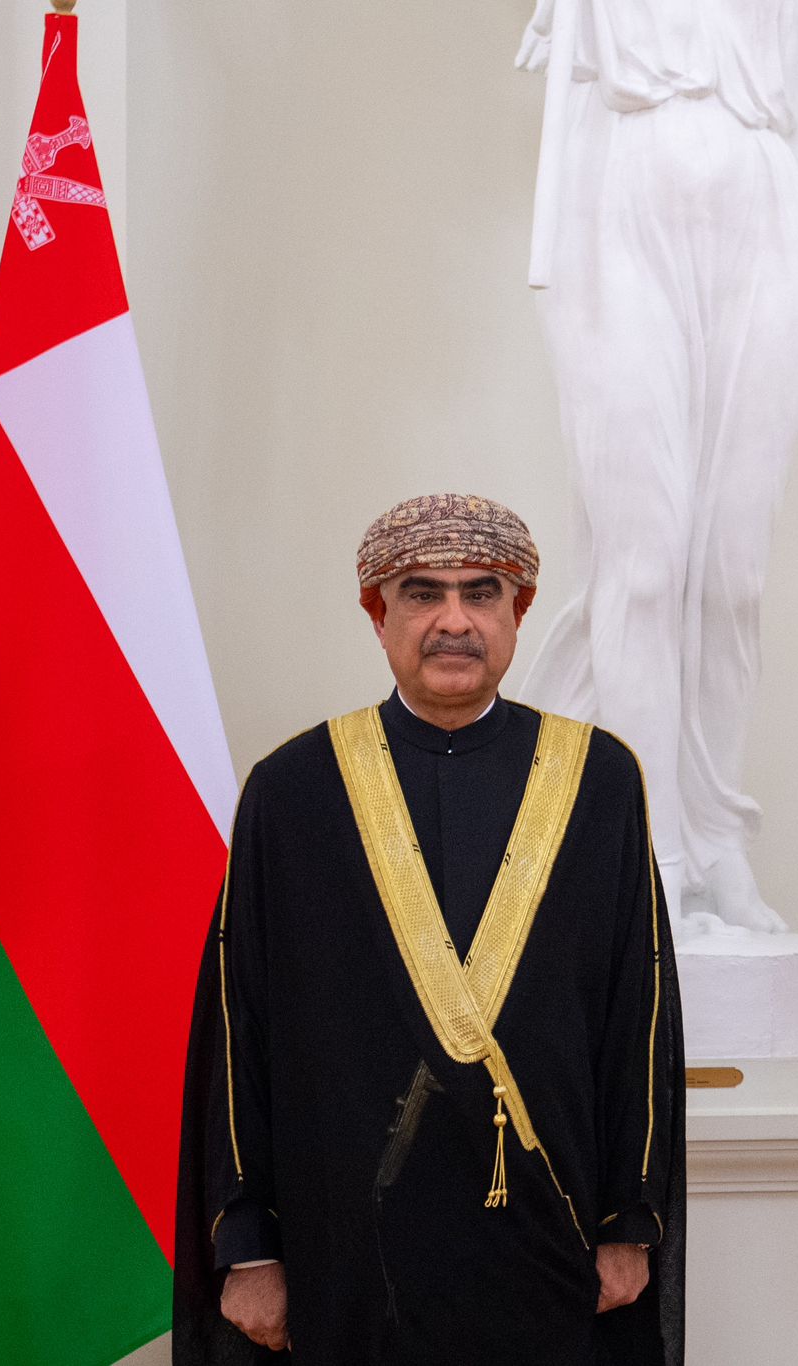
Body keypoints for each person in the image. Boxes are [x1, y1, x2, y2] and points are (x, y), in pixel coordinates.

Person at [172, 493, 685, 1365]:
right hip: (346, 1250)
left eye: (481, 592)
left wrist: (627, 1221)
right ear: (378, 615)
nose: (454, 621)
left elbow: (638, 1011)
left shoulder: (598, 780)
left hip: (546, 1236)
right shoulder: (293, 790)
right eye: (422, 593)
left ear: (520, 611)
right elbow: (237, 1030)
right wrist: (249, 1245)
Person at [514, 0, 798, 935]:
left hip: (763, 227)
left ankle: (714, 842)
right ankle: (648, 854)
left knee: (732, 574)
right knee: (644, 566)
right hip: (616, 219)